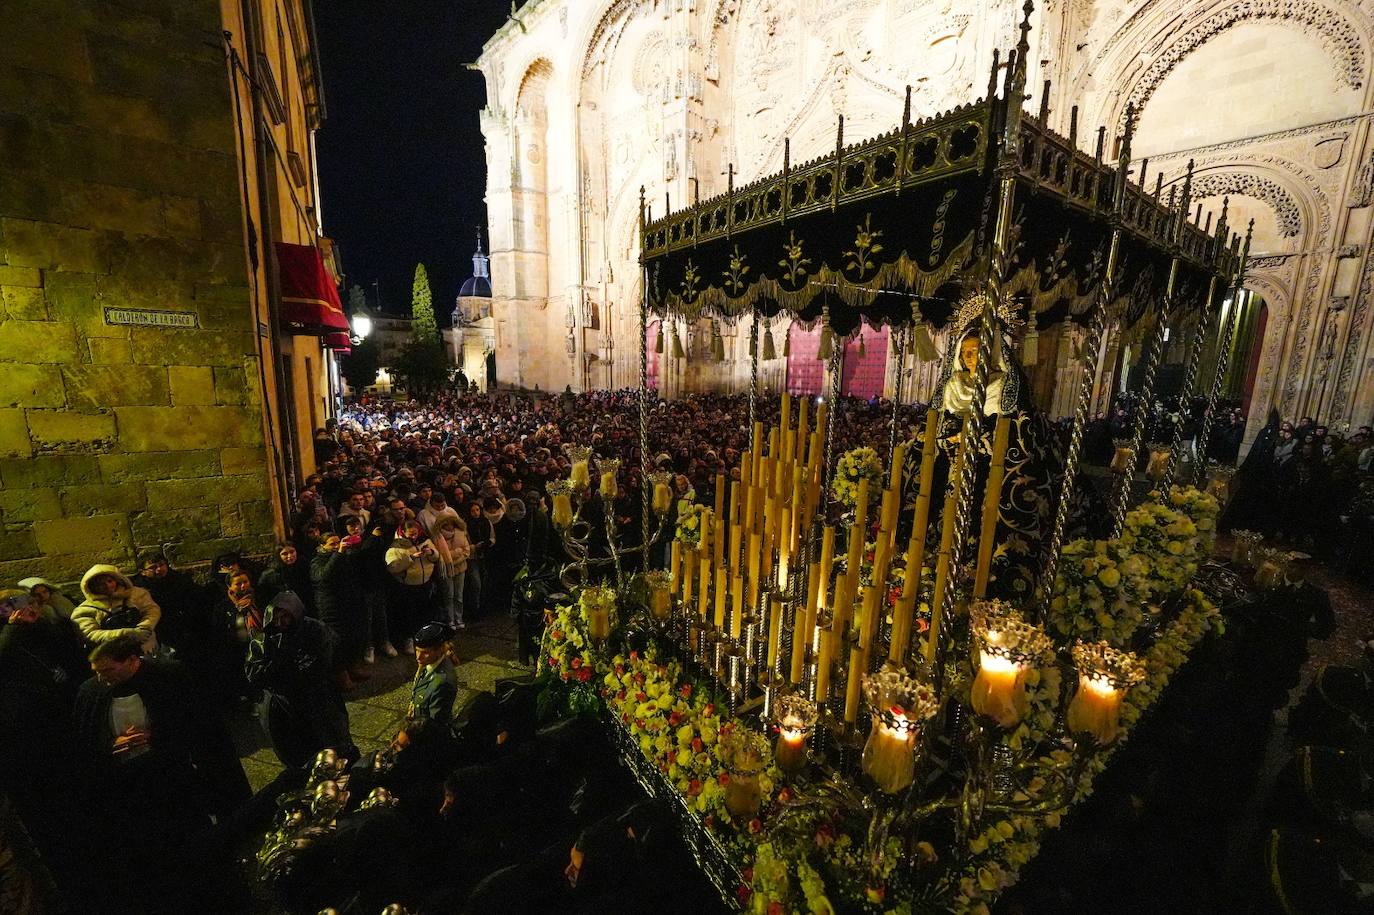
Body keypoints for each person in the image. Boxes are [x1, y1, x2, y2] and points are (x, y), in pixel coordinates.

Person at [244, 591, 353, 769]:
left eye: (285, 616)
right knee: (299, 755)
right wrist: (278, 665)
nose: (280, 622)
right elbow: (254, 674)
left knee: (334, 746)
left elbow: (321, 662)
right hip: (283, 707)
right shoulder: (263, 640)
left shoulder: (314, 629)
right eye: (276, 617)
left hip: (318, 701)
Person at [71, 564, 160, 651]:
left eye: (109, 581)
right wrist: (126, 634)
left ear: (117, 580)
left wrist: (144, 627)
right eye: (100, 584)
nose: (107, 586)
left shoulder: (136, 594)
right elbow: (89, 634)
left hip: (146, 647)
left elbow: (151, 610)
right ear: (91, 587)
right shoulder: (84, 610)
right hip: (113, 655)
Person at [386, 519, 441, 645]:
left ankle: (423, 637)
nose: (414, 536)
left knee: (423, 612)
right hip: (408, 586)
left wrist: (431, 552)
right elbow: (393, 567)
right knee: (409, 614)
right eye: (410, 534)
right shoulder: (396, 547)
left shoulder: (425, 541)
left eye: (415, 533)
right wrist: (411, 558)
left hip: (425, 583)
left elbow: (436, 557)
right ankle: (408, 639)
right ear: (403, 532)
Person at [404, 623, 459, 729]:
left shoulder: (442, 683)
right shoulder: (429, 663)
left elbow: (434, 725)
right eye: (417, 651)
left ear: (439, 650)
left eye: (425, 652)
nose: (418, 657)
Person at [257, 541, 312, 610]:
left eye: (292, 552)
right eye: (285, 554)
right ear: (278, 556)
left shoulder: (304, 567)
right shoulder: (269, 574)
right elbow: (262, 597)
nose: (290, 556)